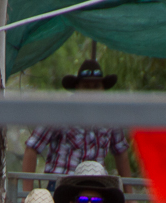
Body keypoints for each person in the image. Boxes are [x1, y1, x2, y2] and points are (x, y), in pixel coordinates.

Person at [21, 60, 136, 190]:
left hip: (97, 186)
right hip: (63, 185)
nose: (91, 92)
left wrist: (129, 194)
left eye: (96, 86)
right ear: (77, 88)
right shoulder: (60, 111)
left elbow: (121, 152)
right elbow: (32, 147)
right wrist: (27, 193)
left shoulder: (110, 116)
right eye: (86, 87)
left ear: (103, 88)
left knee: (109, 199)